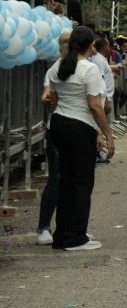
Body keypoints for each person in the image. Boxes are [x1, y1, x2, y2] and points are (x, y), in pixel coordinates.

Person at [46, 26, 115, 250]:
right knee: (82, 182)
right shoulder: (89, 69)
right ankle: (76, 236)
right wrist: (108, 134)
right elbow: (95, 105)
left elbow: (54, 98)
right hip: (80, 126)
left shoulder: (58, 66)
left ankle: (63, 233)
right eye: (94, 45)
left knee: (66, 179)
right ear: (89, 46)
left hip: (59, 123)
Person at [36, 32, 71, 245]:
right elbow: (46, 93)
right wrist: (46, 98)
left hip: (78, 132)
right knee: (56, 179)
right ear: (60, 48)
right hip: (57, 130)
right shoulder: (54, 69)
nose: (69, 49)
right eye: (66, 45)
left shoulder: (86, 67)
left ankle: (68, 227)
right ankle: (43, 226)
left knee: (74, 181)